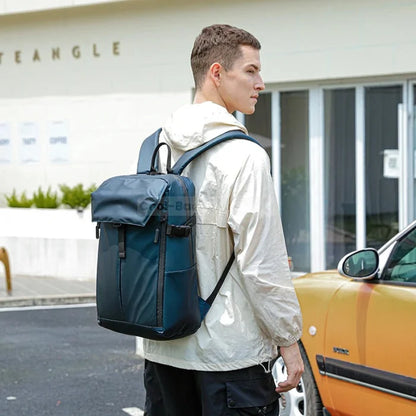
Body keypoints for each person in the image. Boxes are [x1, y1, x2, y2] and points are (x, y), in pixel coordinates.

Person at [143, 24, 303, 416]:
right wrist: (289, 340)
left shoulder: (156, 146)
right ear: (217, 73)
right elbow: (261, 264)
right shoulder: (245, 155)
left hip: (164, 349)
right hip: (230, 358)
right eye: (250, 70)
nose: (260, 83)